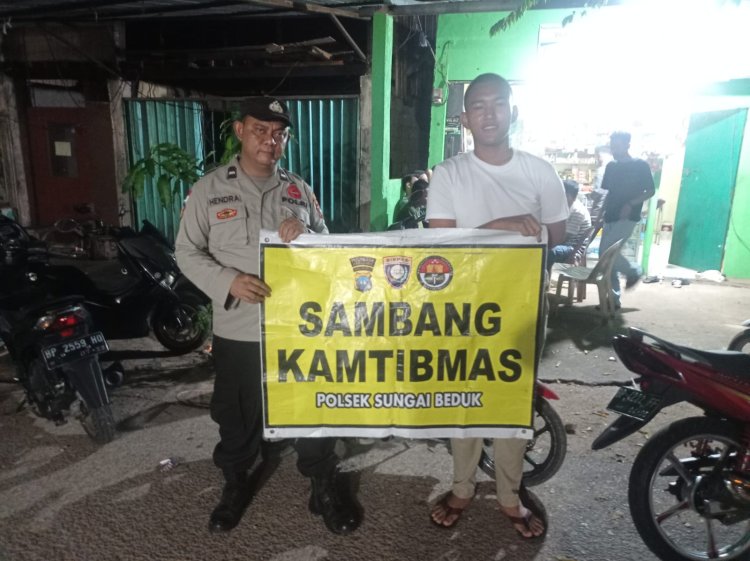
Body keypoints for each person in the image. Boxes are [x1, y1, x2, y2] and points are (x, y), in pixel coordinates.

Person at [175, 97, 361, 535]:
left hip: (297, 326)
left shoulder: (298, 189)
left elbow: (326, 247)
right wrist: (227, 281)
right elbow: (185, 251)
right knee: (236, 411)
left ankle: (321, 484)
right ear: (240, 131)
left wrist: (310, 234)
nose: (270, 140)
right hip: (238, 325)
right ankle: (235, 482)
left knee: (310, 406)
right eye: (260, 129)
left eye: (279, 133)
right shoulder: (209, 189)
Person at [425, 73, 568, 538]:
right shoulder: (447, 175)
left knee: (511, 396)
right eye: (479, 107)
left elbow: (556, 235)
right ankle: (462, 486)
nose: (489, 114)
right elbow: (441, 247)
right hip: (463, 307)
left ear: (514, 111)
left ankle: (509, 494)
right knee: (462, 395)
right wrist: (502, 226)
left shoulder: (540, 171)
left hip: (523, 306)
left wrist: (505, 234)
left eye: (498, 104)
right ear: (465, 119)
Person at [598, 131, 655, 308]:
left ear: (627, 145)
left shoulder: (640, 166)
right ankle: (613, 300)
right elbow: (609, 194)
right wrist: (600, 214)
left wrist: (631, 204)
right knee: (607, 259)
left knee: (607, 254)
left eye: (617, 145)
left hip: (628, 217)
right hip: (610, 216)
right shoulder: (611, 167)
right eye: (612, 145)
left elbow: (650, 191)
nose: (613, 148)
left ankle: (634, 270)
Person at [546, 179, 592, 271]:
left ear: (574, 197)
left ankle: (544, 279)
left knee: (547, 252)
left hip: (573, 248)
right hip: (567, 245)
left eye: (565, 196)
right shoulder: (567, 208)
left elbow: (564, 238)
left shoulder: (577, 211)